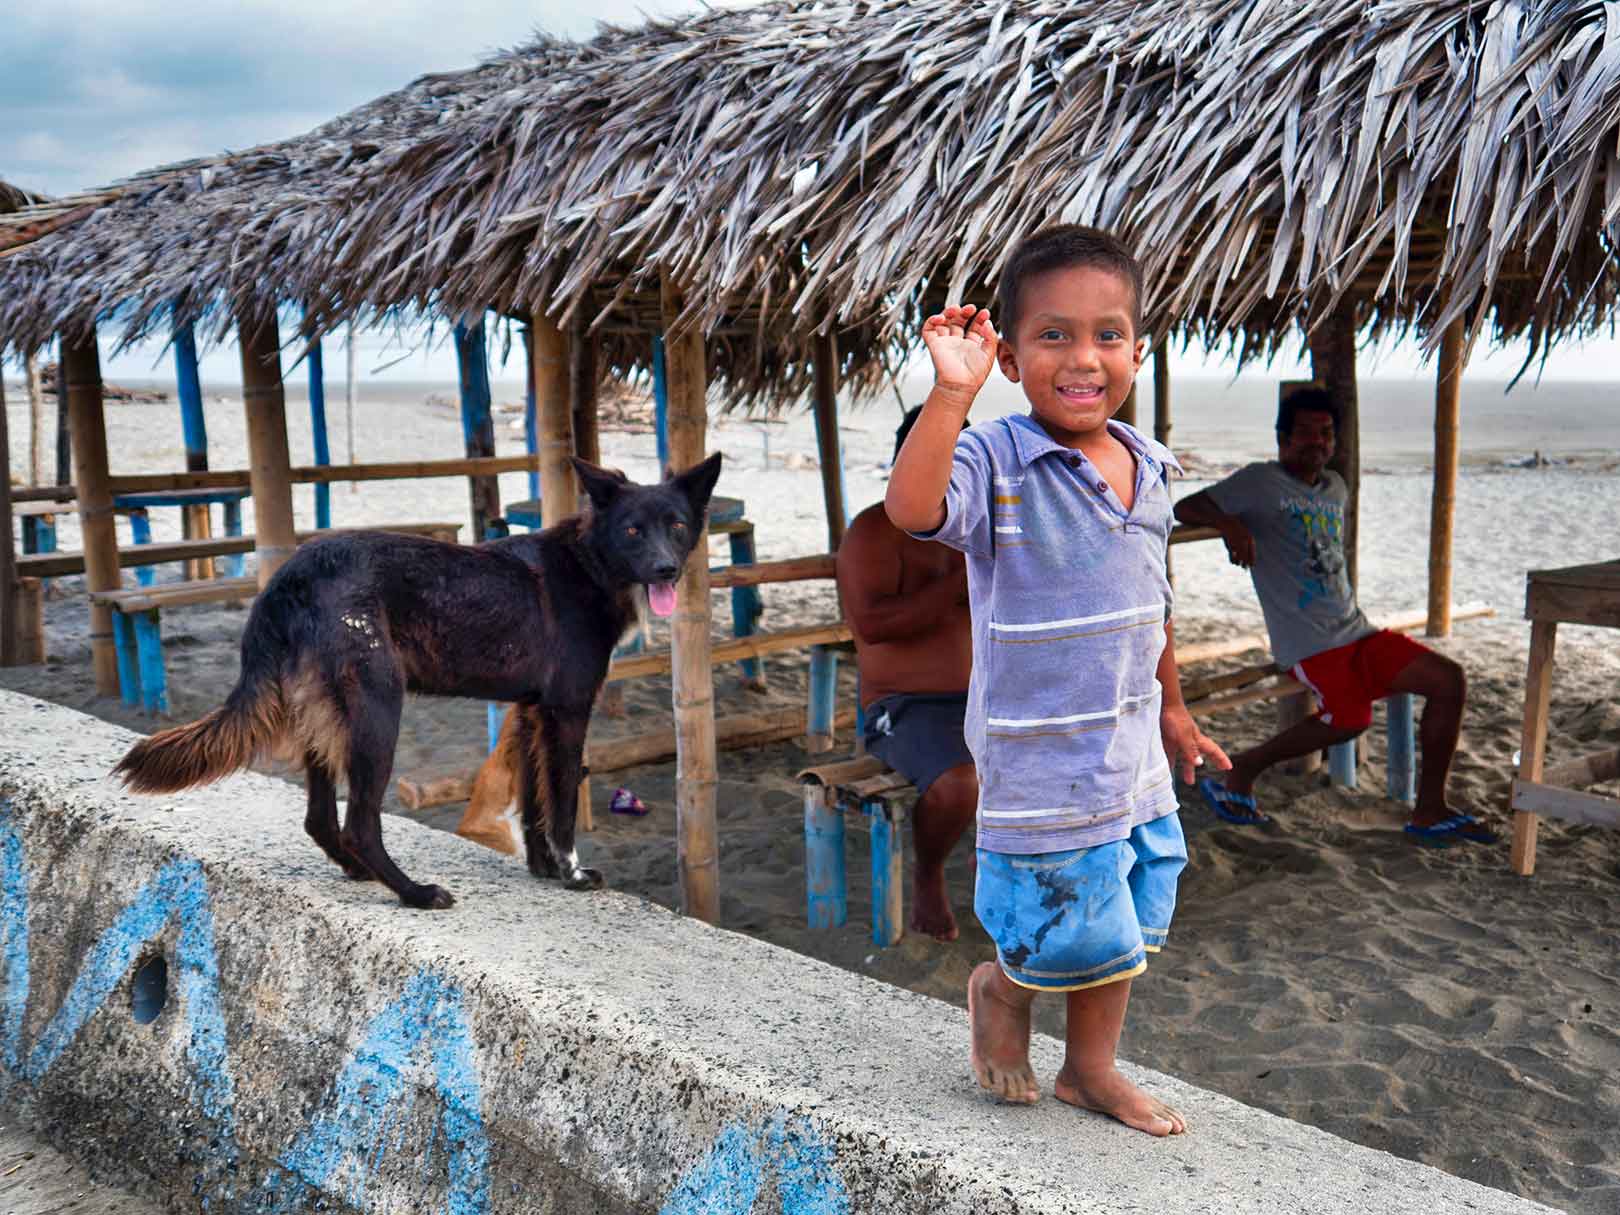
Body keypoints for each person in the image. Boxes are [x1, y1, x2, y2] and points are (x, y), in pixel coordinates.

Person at [885, 225, 1227, 1136]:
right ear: (1008, 354)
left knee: (1125, 910)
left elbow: (1151, 603)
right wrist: (951, 394)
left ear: (1138, 350)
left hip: (1130, 747)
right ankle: (1000, 989)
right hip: (1041, 757)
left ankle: (1090, 1067)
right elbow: (912, 509)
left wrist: (1178, 711)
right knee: (1056, 917)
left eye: (1108, 335)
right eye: (1053, 336)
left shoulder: (1150, 467)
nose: (1084, 358)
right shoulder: (996, 459)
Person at [1172, 387, 1487, 843]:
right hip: (1310, 642)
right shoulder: (1259, 482)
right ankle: (1242, 768)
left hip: (1357, 631)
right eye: (1304, 434)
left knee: (1449, 679)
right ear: (1282, 439)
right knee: (1351, 719)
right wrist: (1231, 524)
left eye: (1326, 434)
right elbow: (1186, 507)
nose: (1317, 443)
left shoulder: (1335, 487)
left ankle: (1430, 810)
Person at [837, 406, 977, 941]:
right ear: (905, 462)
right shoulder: (876, 531)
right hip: (904, 706)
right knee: (959, 784)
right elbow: (871, 625)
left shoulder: (978, 525)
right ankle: (929, 875)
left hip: (986, 694)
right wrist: (955, 586)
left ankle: (1002, 860)